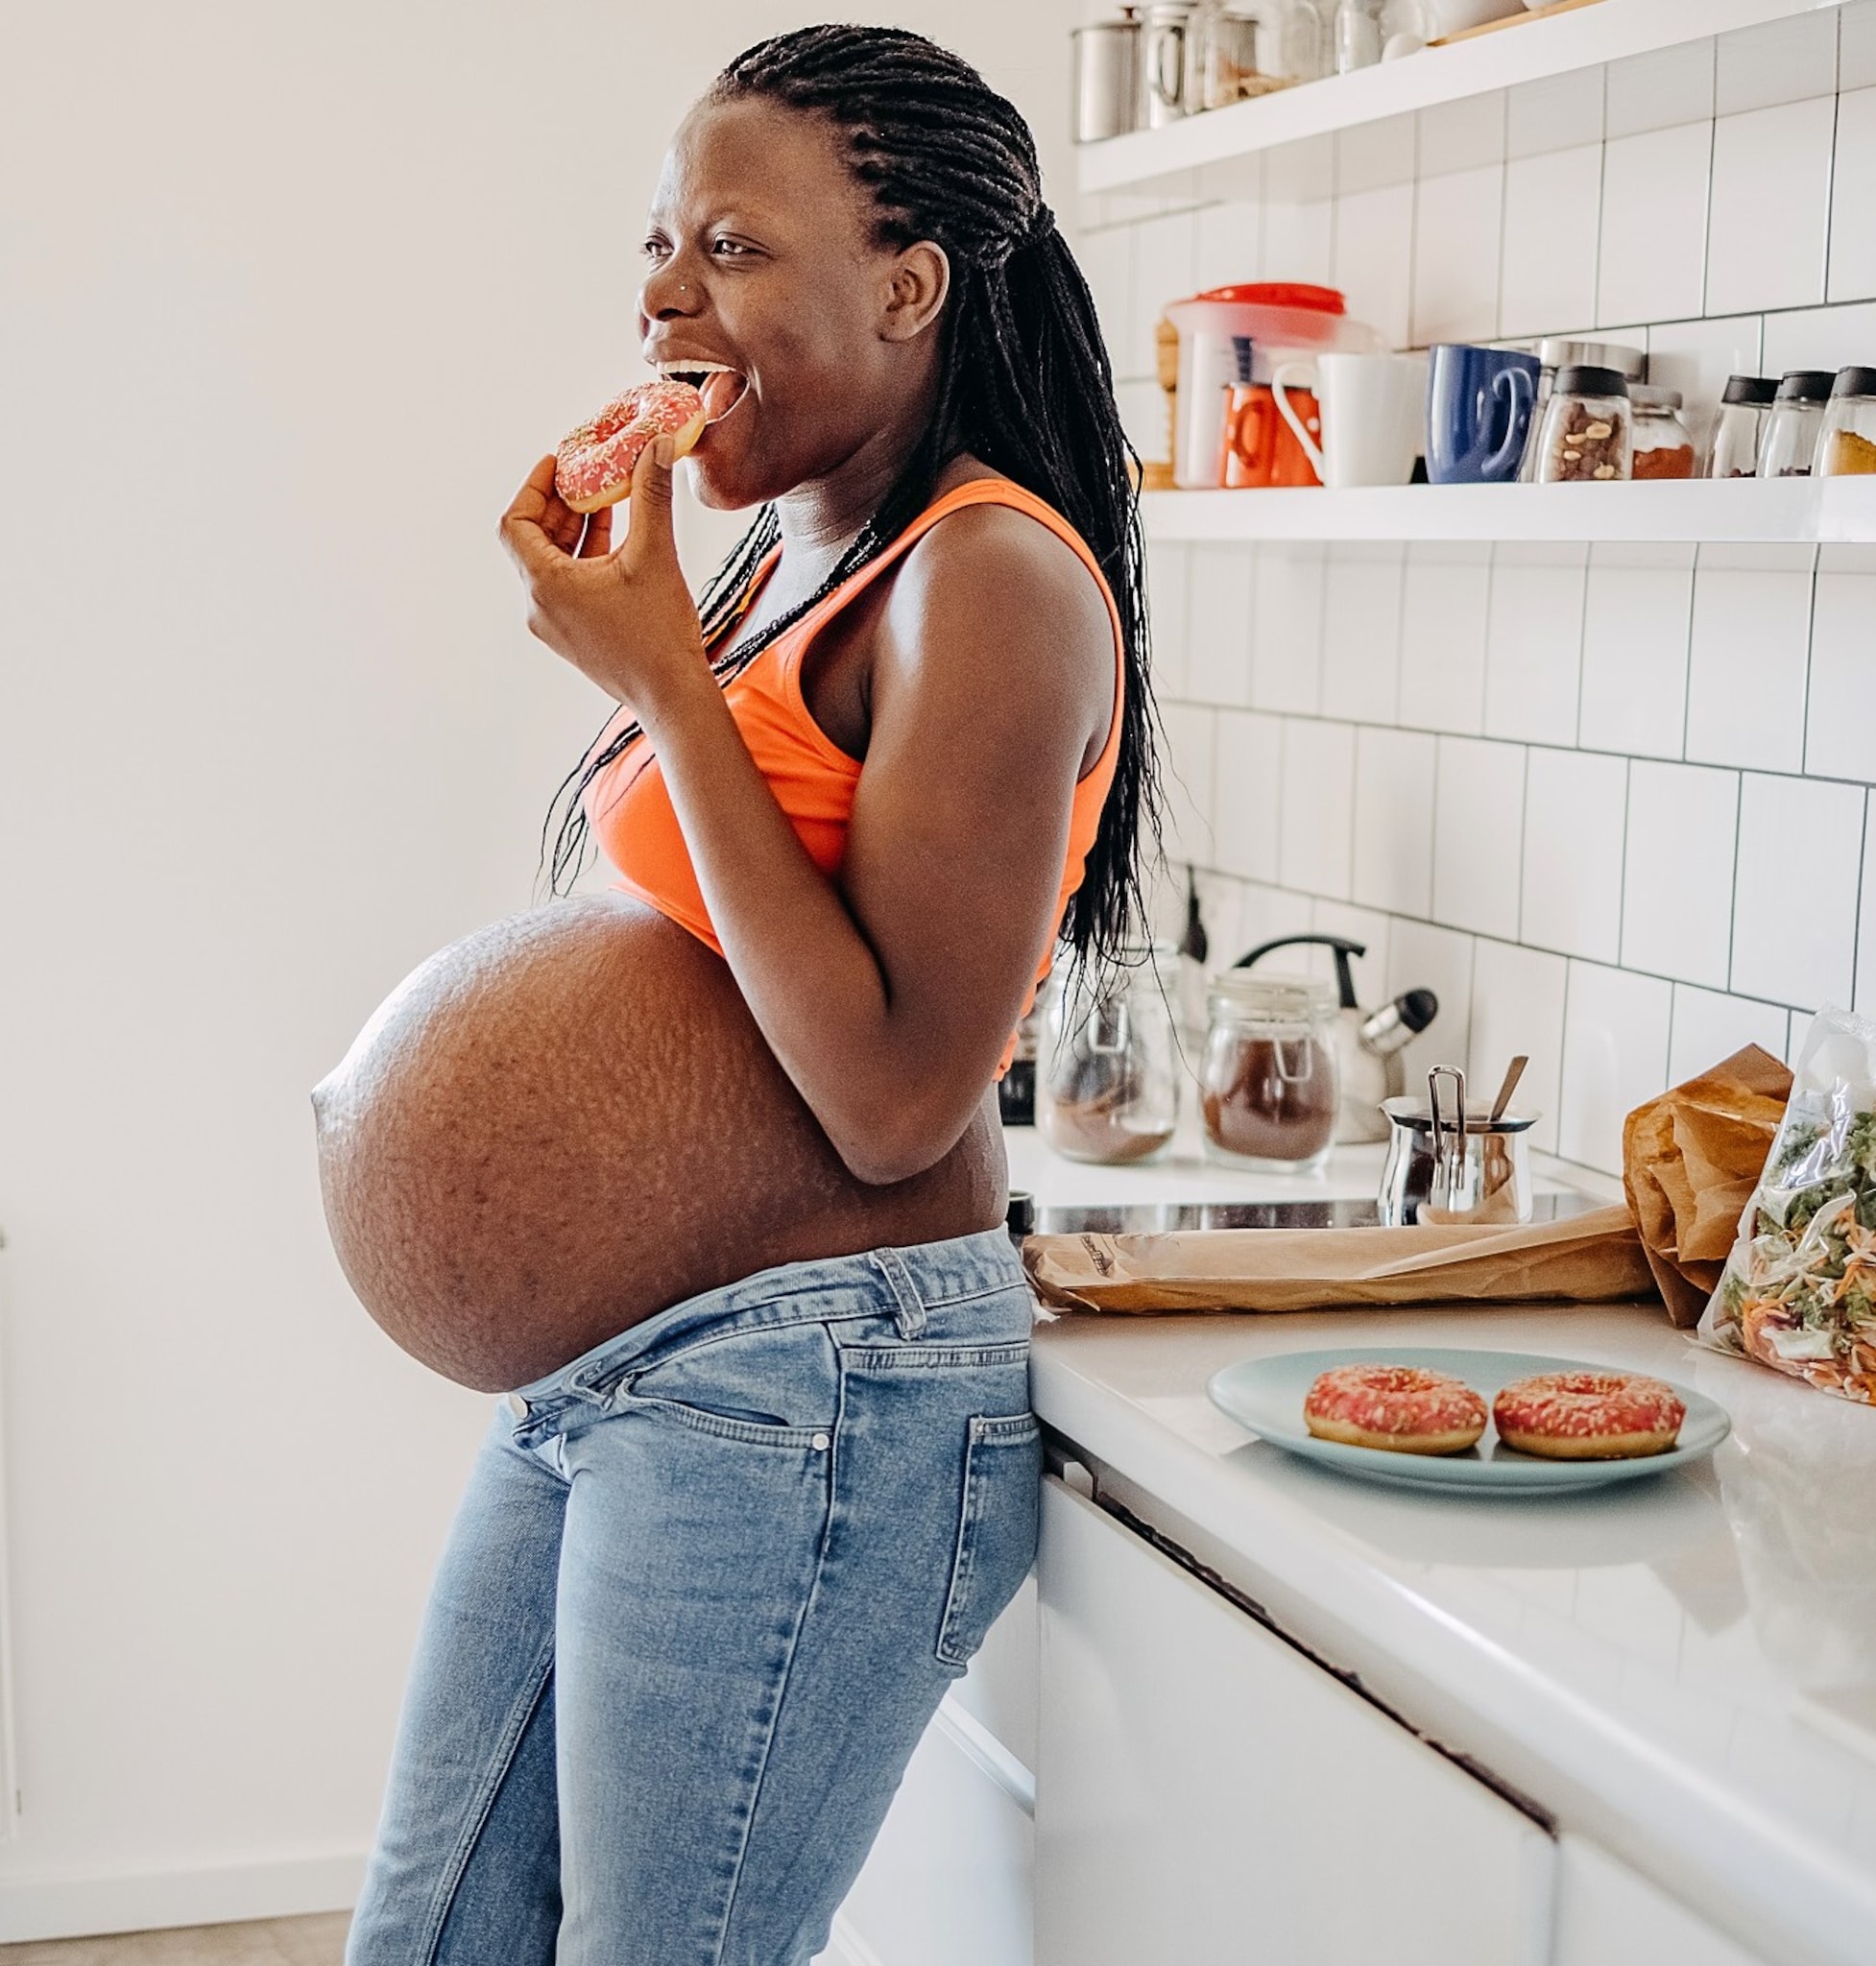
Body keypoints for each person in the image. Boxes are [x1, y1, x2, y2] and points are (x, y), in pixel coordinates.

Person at [325, 23, 1155, 1964]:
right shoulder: (790, 556)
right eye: (655, 242)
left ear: (908, 283)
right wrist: (667, 651)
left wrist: (664, 696)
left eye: (731, 246)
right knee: (426, 1937)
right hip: (624, 1367)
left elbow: (890, 1099)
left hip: (815, 1381)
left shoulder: (989, 582)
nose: (661, 295)